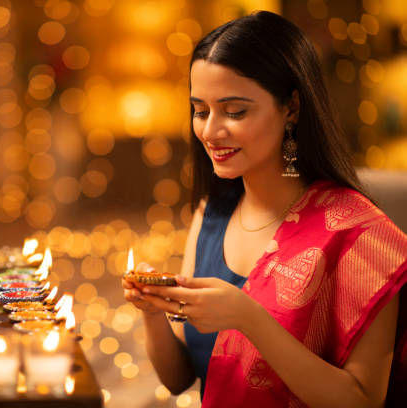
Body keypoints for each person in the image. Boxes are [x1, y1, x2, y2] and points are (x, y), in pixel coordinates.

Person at [122, 10, 407, 408]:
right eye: (200, 110)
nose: (210, 131)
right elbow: (179, 378)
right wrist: (152, 312)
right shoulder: (214, 212)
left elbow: (361, 400)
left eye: (234, 111)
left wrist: (248, 318)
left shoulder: (360, 235)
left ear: (291, 107)